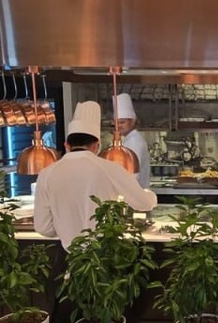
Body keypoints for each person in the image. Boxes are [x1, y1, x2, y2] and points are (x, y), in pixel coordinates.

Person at [34, 100, 157, 249]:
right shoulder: (110, 168)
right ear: (96, 146)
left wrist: (67, 230)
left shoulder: (46, 174)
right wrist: (150, 195)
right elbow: (143, 203)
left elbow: (43, 227)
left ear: (66, 145)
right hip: (104, 254)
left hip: (70, 256)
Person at [116, 93, 151, 188]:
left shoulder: (134, 141)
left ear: (132, 122)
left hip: (135, 191)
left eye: (122, 122)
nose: (118, 126)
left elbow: (132, 174)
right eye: (116, 123)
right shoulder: (129, 139)